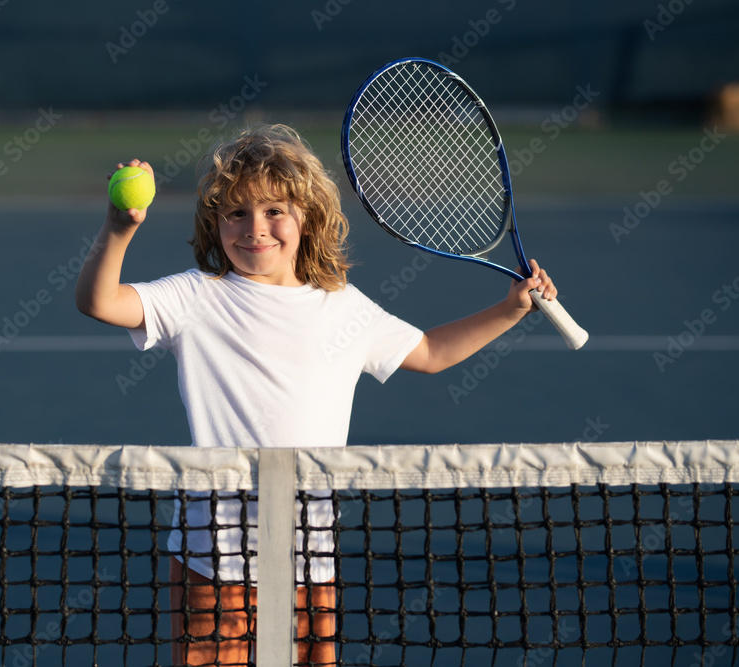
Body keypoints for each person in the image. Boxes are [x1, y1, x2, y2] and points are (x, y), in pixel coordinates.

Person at [75, 124, 558, 667]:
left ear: (308, 218)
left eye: (275, 210)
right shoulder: (195, 297)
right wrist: (119, 228)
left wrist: (510, 309)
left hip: (309, 556)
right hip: (215, 557)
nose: (256, 228)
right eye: (236, 213)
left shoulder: (343, 306)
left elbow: (431, 352)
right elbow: (101, 302)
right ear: (216, 224)